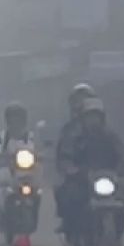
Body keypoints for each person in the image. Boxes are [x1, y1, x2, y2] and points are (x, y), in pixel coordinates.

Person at [60, 96, 124, 242]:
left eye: (96, 116)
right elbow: (66, 155)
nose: (93, 120)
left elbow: (122, 153)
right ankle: (71, 233)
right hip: (83, 179)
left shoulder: (110, 136)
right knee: (72, 197)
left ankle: (118, 236)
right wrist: (71, 169)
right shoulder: (75, 136)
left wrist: (123, 166)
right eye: (90, 116)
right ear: (83, 118)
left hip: (108, 178)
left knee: (123, 201)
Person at [53, 84, 94, 232]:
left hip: (101, 172)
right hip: (79, 174)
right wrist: (69, 167)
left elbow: (117, 147)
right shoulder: (69, 129)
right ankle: (68, 223)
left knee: (121, 198)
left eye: (86, 99)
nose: (81, 103)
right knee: (64, 191)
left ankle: (118, 234)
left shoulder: (104, 128)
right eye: (78, 100)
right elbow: (62, 153)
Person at [0, 102, 33, 216]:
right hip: (8, 171)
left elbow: (38, 149)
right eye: (12, 117)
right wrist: (0, 156)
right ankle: (3, 209)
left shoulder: (30, 136)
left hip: (29, 173)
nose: (16, 121)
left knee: (38, 191)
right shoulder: (3, 136)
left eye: (18, 117)